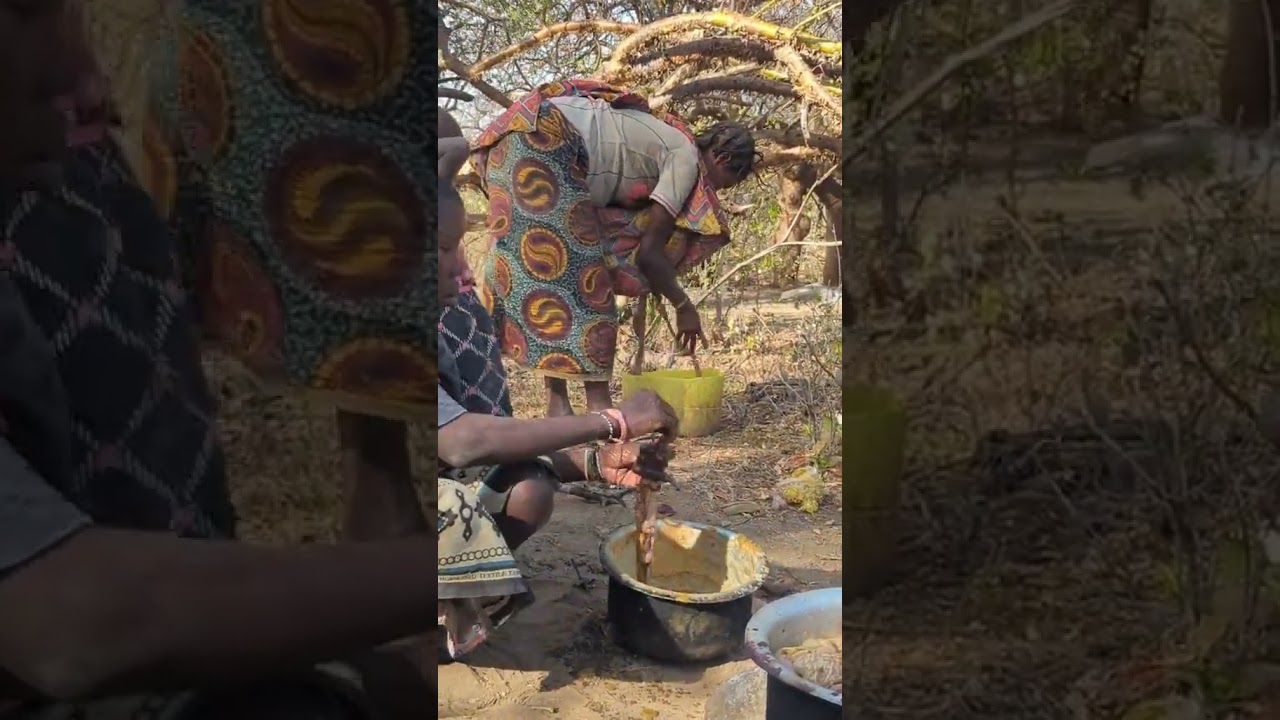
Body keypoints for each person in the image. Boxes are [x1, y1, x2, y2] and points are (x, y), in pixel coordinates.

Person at [436, 117, 678, 662]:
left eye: (461, 246)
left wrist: (593, 463)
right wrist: (611, 421)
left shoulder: (460, 319)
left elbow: (487, 446)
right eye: (445, 249)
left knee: (528, 487)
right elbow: (459, 445)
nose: (466, 271)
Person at [471, 79, 758, 418]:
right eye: (726, 182)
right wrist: (684, 307)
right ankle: (598, 409)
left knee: (549, 268)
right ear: (721, 158)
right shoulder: (685, 158)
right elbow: (651, 252)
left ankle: (557, 406)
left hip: (517, 138)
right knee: (590, 283)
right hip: (545, 139)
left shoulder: (665, 139)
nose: (717, 192)